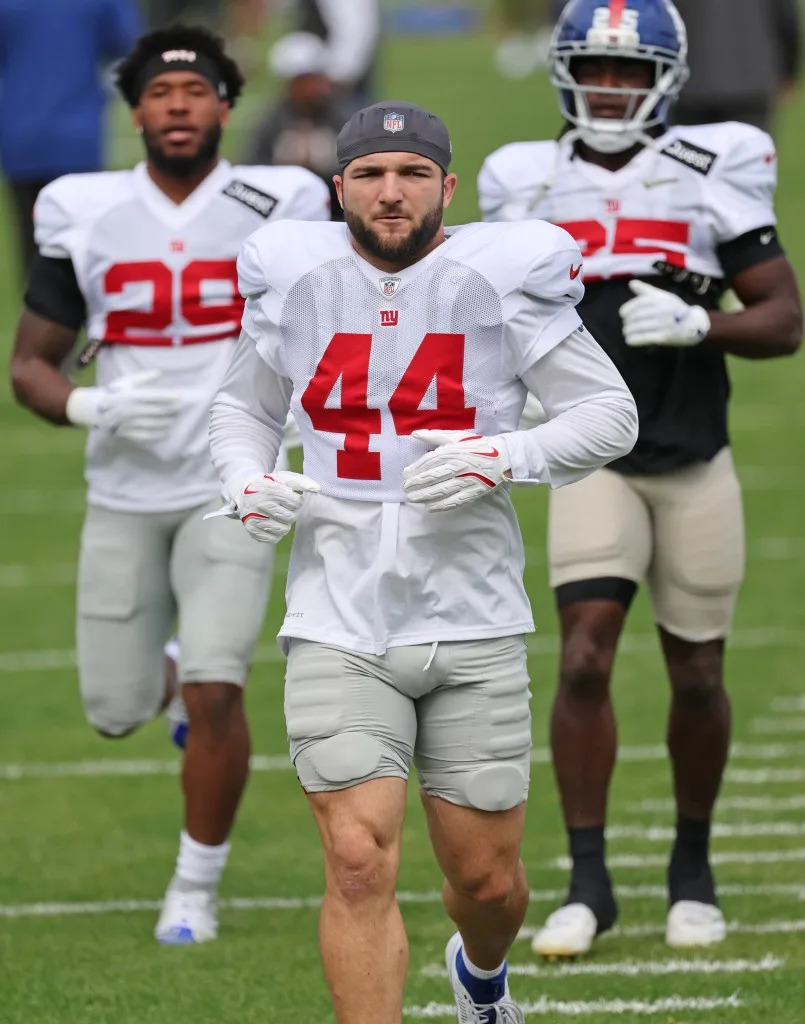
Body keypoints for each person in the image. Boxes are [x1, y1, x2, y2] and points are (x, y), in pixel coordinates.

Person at [209, 99, 637, 1023]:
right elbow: (244, 407)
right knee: (356, 860)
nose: (391, 192)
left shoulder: (502, 277)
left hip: (471, 614)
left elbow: (609, 413)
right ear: (339, 189)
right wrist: (244, 476)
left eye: (410, 174)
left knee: (487, 883)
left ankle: (480, 973)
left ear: (447, 185)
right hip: (335, 615)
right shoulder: (294, 276)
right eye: (370, 174)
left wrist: (505, 456)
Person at [478, 0, 802, 958]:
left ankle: (690, 872)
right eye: (595, 68)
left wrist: (704, 323)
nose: (611, 87)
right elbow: (486, 314)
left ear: (665, 78)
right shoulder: (523, 180)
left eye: (628, 71)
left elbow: (782, 317)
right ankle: (588, 885)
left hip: (693, 450)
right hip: (590, 455)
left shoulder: (711, 166)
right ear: (566, 71)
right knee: (582, 658)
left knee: (697, 672)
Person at [9, 23, 329, 945]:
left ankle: (194, 887)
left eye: (195, 92)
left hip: (234, 478)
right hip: (124, 486)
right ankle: (176, 670)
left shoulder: (283, 200)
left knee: (218, 691)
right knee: (115, 711)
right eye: (159, 94)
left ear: (225, 106)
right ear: (135, 111)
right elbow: (30, 364)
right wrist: (88, 406)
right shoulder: (82, 209)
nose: (178, 107)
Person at [0, 0, 142, 284]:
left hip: (20, 134)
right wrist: (103, 93)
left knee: (33, 246)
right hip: (79, 134)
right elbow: (129, 50)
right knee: (82, 248)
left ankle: (38, 307)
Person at [244, 32, 356, 220]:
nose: (309, 88)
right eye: (300, 82)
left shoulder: (345, 119)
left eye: (313, 80)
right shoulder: (271, 121)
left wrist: (322, 169)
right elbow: (252, 167)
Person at [673, 0, 800, 132]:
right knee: (750, 141)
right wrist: (789, 69)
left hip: (691, 81)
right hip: (752, 81)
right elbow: (786, 16)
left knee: (692, 142)